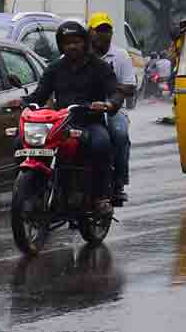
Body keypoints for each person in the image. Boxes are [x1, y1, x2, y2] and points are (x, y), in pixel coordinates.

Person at [10, 21, 121, 215]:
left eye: (76, 41)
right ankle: (31, 188)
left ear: (85, 42)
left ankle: (100, 196)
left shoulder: (100, 67)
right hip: (59, 124)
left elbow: (115, 92)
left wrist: (109, 104)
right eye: (67, 42)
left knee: (100, 143)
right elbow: (40, 94)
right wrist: (23, 101)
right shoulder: (55, 68)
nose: (72, 46)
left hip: (89, 122)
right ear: (61, 45)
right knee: (20, 140)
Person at [89, 12, 136, 202]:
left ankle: (119, 182)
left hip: (113, 107)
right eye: (99, 30)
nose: (103, 34)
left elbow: (130, 87)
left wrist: (112, 91)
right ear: (90, 33)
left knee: (120, 134)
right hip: (86, 106)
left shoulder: (120, 55)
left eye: (107, 30)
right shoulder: (79, 56)